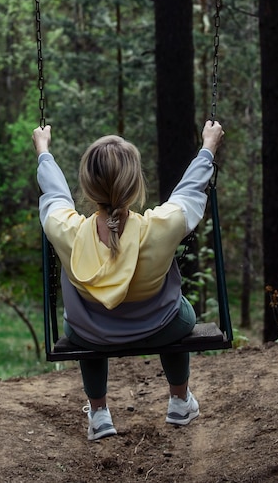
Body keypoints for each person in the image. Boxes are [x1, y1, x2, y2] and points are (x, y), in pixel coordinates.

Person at [33, 120, 224, 441]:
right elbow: (189, 191)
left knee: (81, 327)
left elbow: (54, 195)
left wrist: (43, 151)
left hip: (91, 334)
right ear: (136, 184)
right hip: (161, 327)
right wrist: (208, 147)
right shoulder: (160, 226)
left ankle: (99, 414)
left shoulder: (66, 231)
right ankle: (179, 401)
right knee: (181, 312)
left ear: (87, 185)